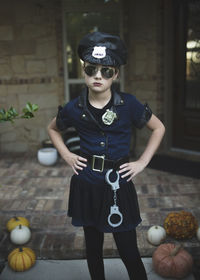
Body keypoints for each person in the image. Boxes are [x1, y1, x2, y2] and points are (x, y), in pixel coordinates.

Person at [47, 31, 165, 280]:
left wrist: (142, 162)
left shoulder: (129, 105)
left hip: (117, 183)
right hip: (87, 182)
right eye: (92, 69)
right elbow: (52, 128)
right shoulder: (75, 107)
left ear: (116, 74)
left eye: (106, 71)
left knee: (129, 251)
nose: (98, 75)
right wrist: (67, 155)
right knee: (93, 249)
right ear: (84, 72)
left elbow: (159, 128)